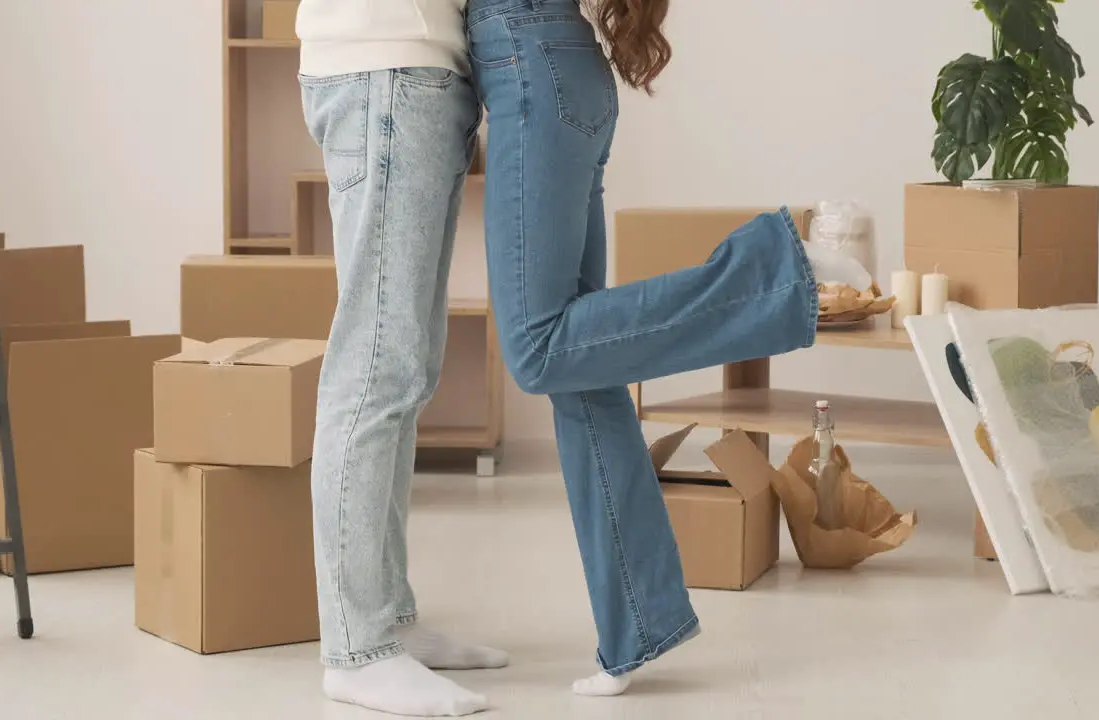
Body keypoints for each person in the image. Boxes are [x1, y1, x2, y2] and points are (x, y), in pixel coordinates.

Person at [468, 0, 822, 700]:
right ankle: (639, 623)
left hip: (531, 67)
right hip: (554, 67)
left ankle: (770, 275)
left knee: (539, 348)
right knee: (584, 365)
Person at [296, 0, 502, 717]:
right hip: (387, 69)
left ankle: (387, 618)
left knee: (404, 369)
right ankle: (356, 650)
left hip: (404, 71)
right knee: (377, 368)